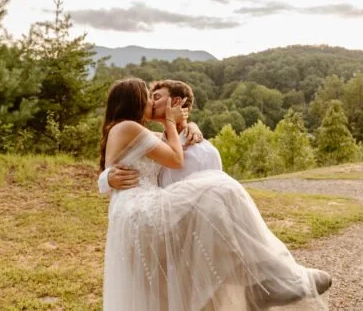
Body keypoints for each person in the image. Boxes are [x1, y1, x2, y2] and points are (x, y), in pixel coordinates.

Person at [100, 78, 331, 311]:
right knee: (220, 188)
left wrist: (189, 125)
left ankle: (264, 279)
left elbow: (159, 148)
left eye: (155, 96)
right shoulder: (129, 128)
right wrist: (171, 122)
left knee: (217, 200)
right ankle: (266, 280)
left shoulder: (140, 134)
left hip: (136, 212)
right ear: (135, 100)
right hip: (141, 209)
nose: (151, 101)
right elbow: (174, 157)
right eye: (148, 96)